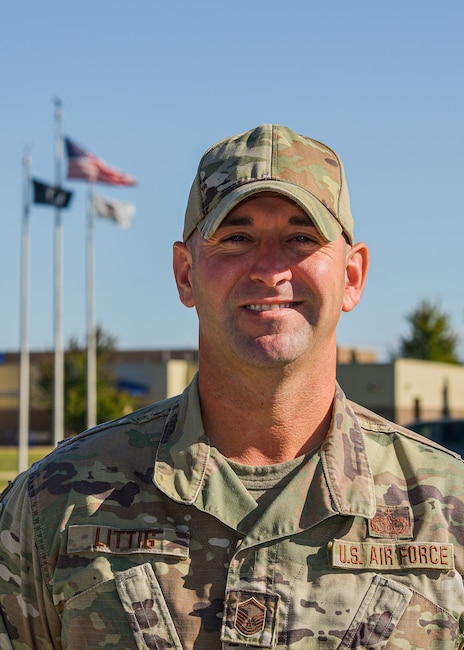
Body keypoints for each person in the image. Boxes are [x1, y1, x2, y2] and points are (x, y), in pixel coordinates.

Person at [1, 124, 464, 650]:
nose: (269, 270)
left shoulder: (447, 511)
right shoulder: (56, 504)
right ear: (185, 273)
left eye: (302, 238)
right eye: (236, 237)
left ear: (352, 276)